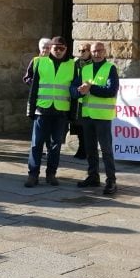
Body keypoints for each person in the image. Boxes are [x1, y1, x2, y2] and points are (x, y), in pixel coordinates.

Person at [24, 36, 74, 188]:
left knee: (55, 145)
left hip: (60, 110)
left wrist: (73, 114)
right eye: (55, 48)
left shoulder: (73, 65)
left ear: (66, 49)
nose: (58, 51)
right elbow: (34, 89)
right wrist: (30, 110)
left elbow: (73, 90)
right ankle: (33, 175)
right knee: (36, 144)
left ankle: (51, 174)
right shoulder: (40, 62)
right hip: (42, 109)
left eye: (62, 48)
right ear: (50, 48)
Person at [72, 41, 119, 196]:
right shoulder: (85, 69)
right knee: (90, 149)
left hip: (103, 117)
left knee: (106, 150)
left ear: (104, 52)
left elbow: (111, 90)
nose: (97, 54)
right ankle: (93, 176)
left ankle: (111, 180)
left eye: (100, 51)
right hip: (87, 115)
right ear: (91, 53)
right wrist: (80, 91)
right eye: (94, 51)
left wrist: (90, 88)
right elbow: (74, 89)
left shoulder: (110, 68)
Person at [69, 42, 93, 159]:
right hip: (76, 98)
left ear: (90, 51)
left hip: (89, 99)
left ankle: (86, 149)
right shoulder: (75, 63)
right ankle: (81, 147)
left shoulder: (94, 63)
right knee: (77, 125)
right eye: (79, 51)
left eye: (84, 51)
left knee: (86, 126)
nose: (81, 53)